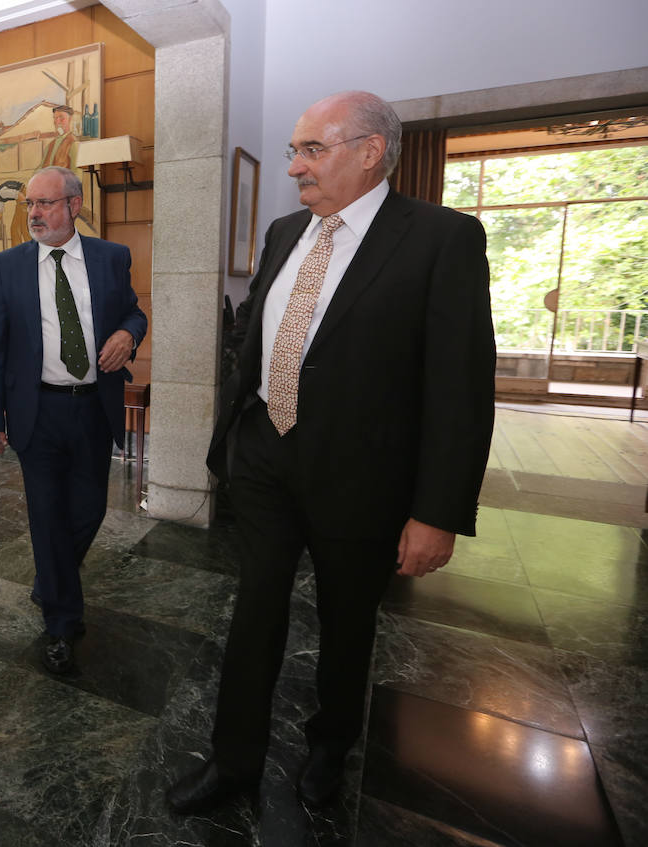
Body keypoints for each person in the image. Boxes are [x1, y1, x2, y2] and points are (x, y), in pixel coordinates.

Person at [167, 91, 495, 815]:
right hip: (264, 464)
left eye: (311, 150)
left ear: (371, 151)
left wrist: (436, 511)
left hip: (363, 481)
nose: (294, 167)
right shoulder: (285, 232)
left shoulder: (442, 239)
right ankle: (234, 760)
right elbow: (256, 338)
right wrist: (235, 433)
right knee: (254, 611)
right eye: (293, 151)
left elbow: (460, 389)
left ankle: (330, 746)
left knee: (349, 625)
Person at [0, 166, 146, 675]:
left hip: (95, 407)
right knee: (47, 514)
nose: (33, 214)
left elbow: (134, 313)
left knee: (90, 507)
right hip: (38, 410)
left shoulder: (111, 258)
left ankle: (51, 581)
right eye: (29, 204)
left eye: (45, 203)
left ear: (74, 206)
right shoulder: (8, 266)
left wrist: (128, 335)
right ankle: (60, 622)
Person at [41, 105, 79, 170]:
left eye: (61, 117)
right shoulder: (50, 145)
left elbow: (77, 174)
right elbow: (41, 168)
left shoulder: (73, 143)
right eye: (55, 118)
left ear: (70, 119)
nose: (57, 121)